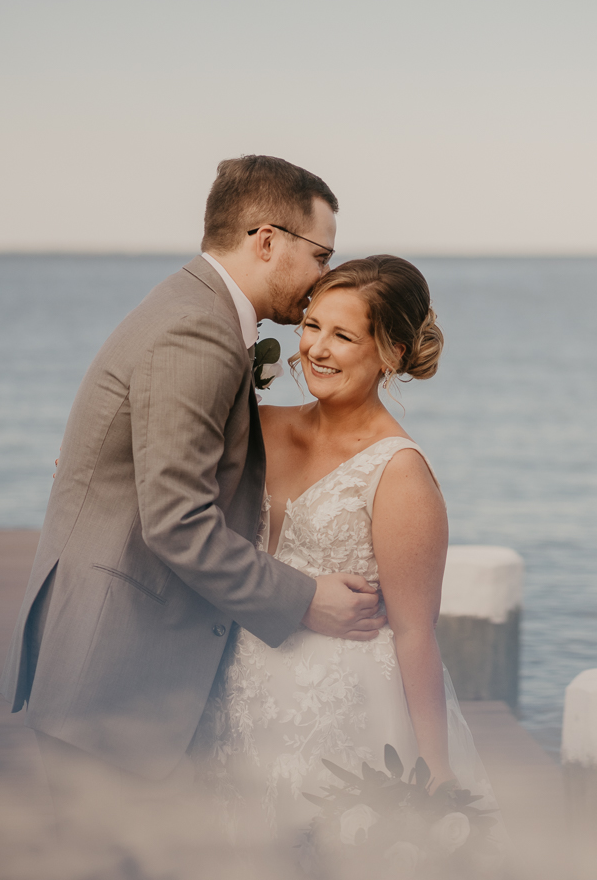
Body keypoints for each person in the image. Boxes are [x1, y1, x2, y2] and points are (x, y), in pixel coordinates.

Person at [0, 156, 386, 802]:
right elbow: (178, 522)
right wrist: (303, 599)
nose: (324, 280)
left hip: (112, 659)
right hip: (117, 675)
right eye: (320, 256)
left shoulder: (191, 307)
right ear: (267, 240)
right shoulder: (197, 331)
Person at [196, 255, 497, 841]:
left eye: (343, 335)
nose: (317, 349)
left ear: (390, 354)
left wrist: (436, 768)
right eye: (311, 326)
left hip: (340, 712)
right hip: (234, 686)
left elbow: (414, 630)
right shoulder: (261, 425)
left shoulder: (399, 471)